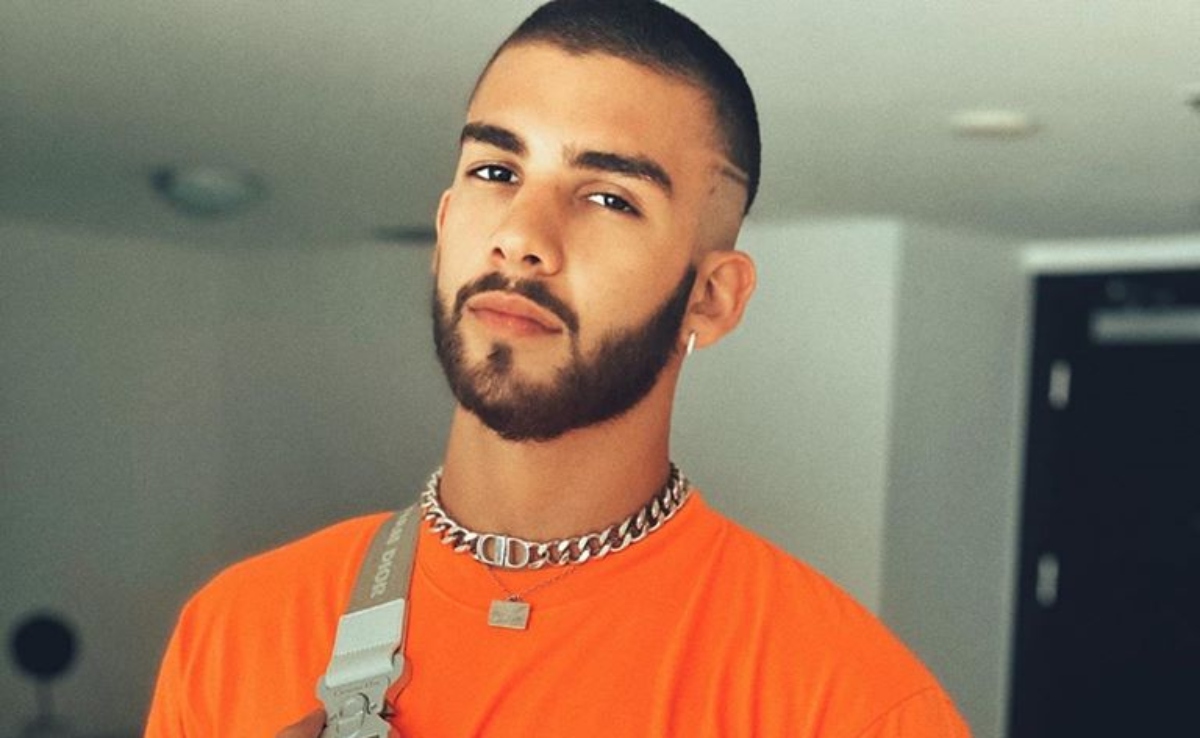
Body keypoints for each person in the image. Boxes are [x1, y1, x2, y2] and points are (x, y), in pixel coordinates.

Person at [145, 1, 972, 736]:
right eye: (496, 172)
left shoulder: (851, 704)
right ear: (445, 226)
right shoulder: (233, 631)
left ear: (711, 298)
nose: (521, 236)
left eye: (610, 197)